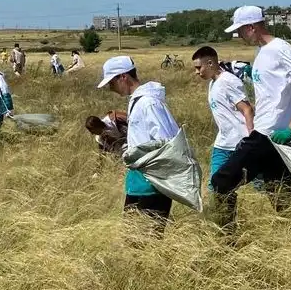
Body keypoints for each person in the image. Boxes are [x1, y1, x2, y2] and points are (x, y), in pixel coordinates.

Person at [212, 6, 291, 213]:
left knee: (221, 182)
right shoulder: (261, 52)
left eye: (241, 30)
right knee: (281, 197)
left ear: (252, 27)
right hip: (268, 134)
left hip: (269, 135)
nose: (239, 35)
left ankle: (228, 242)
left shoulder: (280, 48)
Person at [97, 56, 179, 226]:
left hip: (152, 185)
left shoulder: (149, 103)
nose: (110, 88)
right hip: (137, 182)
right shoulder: (136, 101)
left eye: (111, 82)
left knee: (146, 241)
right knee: (132, 239)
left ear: (123, 77)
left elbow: (166, 142)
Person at [192, 46, 255, 230]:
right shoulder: (213, 82)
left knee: (260, 183)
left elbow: (247, 109)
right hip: (223, 144)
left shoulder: (228, 81)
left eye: (199, 67)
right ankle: (226, 227)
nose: (197, 72)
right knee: (216, 188)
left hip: (239, 143)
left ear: (210, 63)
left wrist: (252, 140)